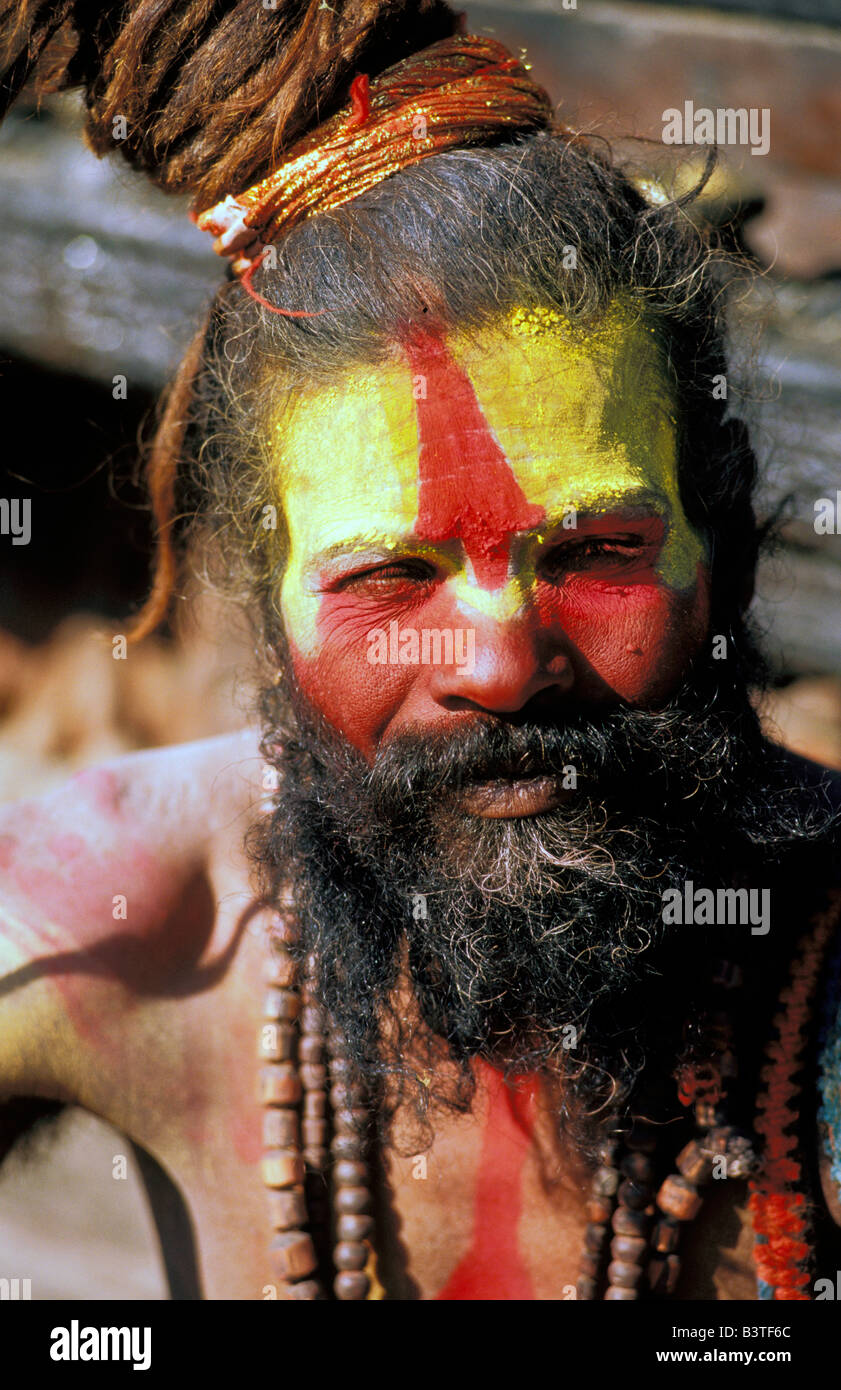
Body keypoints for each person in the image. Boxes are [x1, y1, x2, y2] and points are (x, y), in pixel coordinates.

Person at [1, 0, 840, 1303]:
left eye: (598, 552)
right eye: (389, 574)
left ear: (717, 549)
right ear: (263, 597)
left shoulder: (817, 979)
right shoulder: (130, 910)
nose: (500, 668)